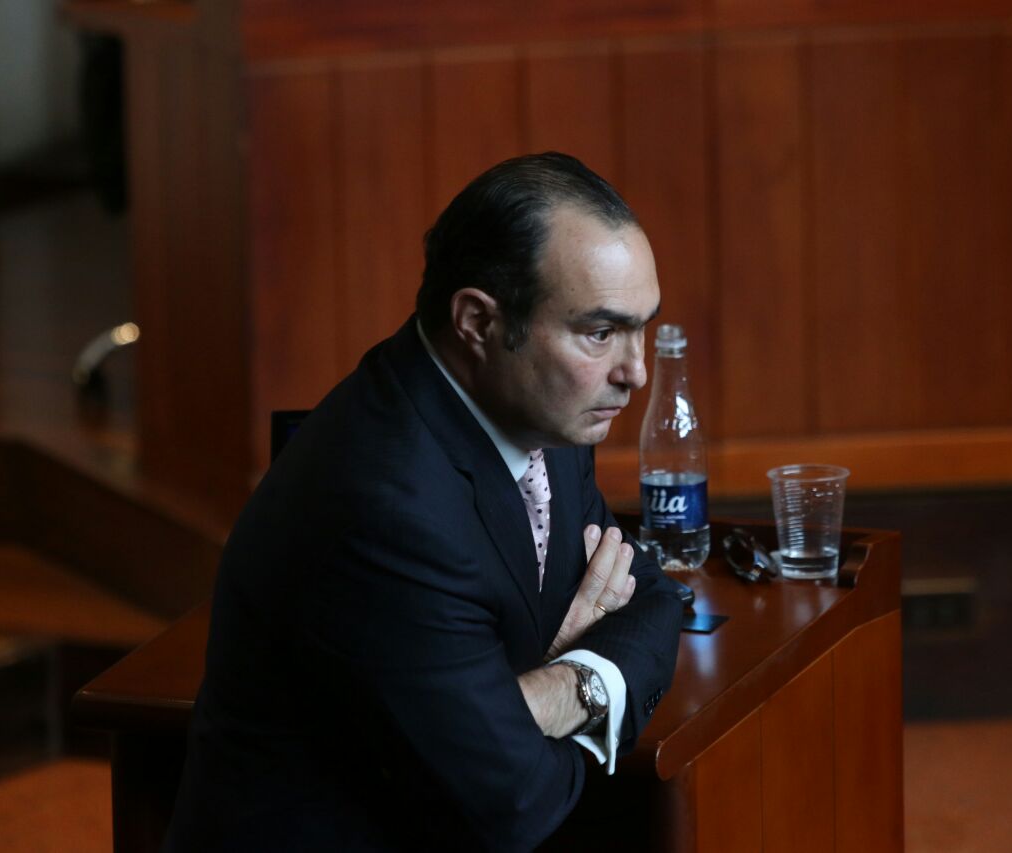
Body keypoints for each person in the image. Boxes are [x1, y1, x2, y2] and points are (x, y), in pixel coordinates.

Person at [164, 153, 685, 852]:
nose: (635, 372)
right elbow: (511, 802)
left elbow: (650, 598)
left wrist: (544, 693)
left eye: (641, 327)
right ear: (477, 321)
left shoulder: (545, 410)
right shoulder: (384, 505)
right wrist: (566, 695)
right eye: (600, 332)